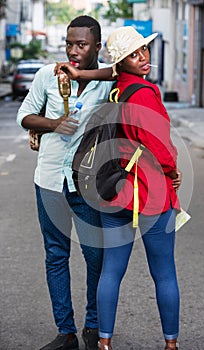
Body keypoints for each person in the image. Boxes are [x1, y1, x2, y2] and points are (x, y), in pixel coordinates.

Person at [55, 27, 182, 350]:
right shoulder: (143, 92)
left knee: (111, 271)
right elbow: (159, 145)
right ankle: (170, 344)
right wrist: (172, 171)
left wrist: (79, 71)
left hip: (116, 194)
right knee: (164, 272)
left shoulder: (117, 89)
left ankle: (105, 342)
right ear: (122, 62)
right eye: (133, 55)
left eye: (143, 50)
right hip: (151, 195)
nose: (142, 58)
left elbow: (110, 71)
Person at [16, 16, 113, 350]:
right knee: (56, 255)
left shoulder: (107, 82)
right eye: (69, 43)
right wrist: (52, 123)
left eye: (82, 45)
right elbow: (24, 116)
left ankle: (94, 327)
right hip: (49, 181)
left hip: (87, 185)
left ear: (97, 47)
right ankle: (66, 332)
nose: (73, 51)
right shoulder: (47, 75)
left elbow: (128, 73)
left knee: (95, 257)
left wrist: (83, 74)